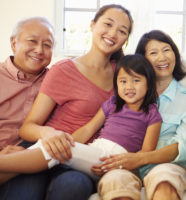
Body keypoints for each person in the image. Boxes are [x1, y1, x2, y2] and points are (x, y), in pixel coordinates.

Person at [17, 4, 133, 200]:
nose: (113, 34)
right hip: (44, 150)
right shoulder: (64, 69)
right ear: (92, 25)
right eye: (108, 24)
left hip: (80, 161)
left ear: (125, 39)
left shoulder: (124, 76)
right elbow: (27, 127)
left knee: (73, 186)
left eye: (122, 31)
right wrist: (48, 133)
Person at [0, 54, 162, 183]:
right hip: (95, 152)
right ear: (116, 84)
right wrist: (67, 142)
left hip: (112, 161)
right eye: (123, 81)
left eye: (136, 80)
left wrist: (122, 166)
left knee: (57, 148)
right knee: (56, 144)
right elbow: (88, 128)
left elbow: (146, 152)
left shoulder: (152, 114)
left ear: (149, 83)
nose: (129, 87)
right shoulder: (112, 103)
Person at [91, 30, 186, 200]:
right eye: (153, 53)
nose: (162, 58)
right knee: (114, 182)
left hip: (166, 165)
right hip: (123, 165)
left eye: (166, 50)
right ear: (143, 59)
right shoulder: (126, 93)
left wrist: (137, 159)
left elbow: (180, 147)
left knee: (164, 183)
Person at [0, 16, 55, 200]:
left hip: (30, 159)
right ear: (14, 43)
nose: (39, 50)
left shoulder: (56, 81)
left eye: (47, 45)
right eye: (32, 41)